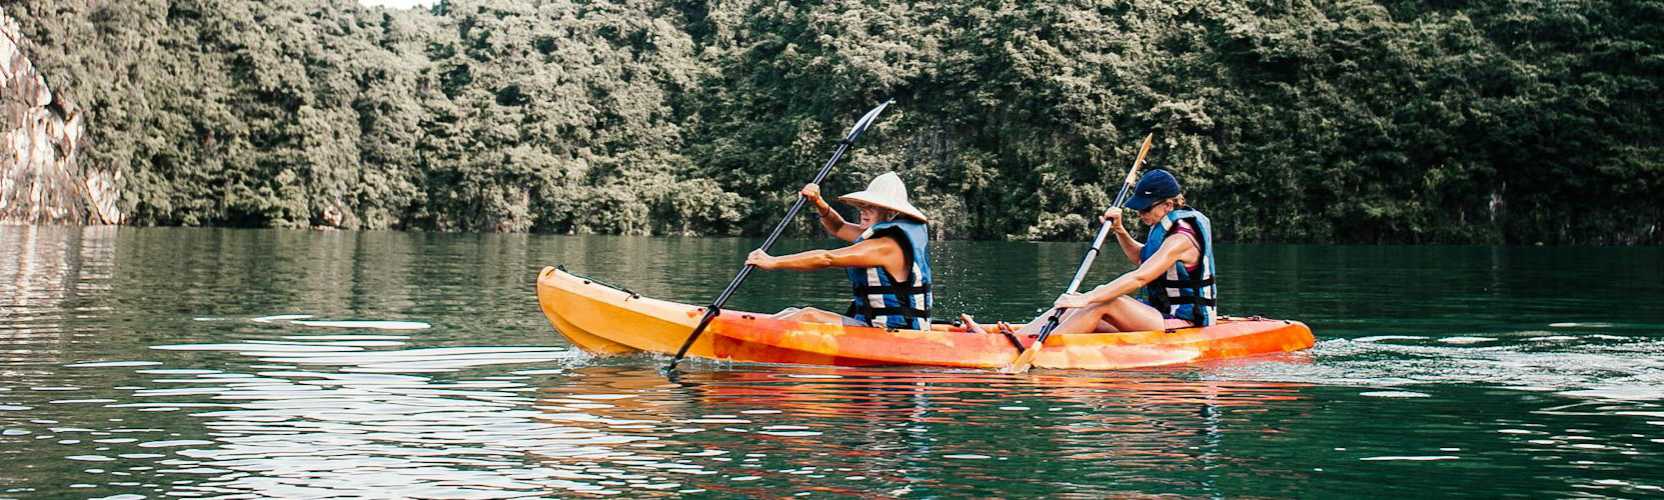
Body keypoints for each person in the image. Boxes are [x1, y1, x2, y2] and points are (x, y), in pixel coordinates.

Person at [1027, 169, 1217, 333]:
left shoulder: (1181, 238)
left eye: (1145, 209)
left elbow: (1140, 277)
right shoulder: (1163, 225)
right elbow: (1141, 258)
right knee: (1075, 303)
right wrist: (1119, 230)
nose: (1141, 214)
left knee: (1105, 300)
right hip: (1158, 312)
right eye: (1139, 209)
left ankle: (1046, 349)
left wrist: (1088, 298)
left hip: (1187, 321)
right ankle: (1018, 338)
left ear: (1168, 205)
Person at [744, 172, 934, 330]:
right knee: (790, 312)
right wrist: (818, 202)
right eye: (862, 206)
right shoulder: (877, 237)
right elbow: (838, 227)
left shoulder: (885, 246)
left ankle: (750, 336)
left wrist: (774, 262)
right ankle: (750, 329)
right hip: (874, 326)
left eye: (871, 208)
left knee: (809, 315)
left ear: (891, 213)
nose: (863, 211)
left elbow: (826, 258)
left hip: (893, 333)